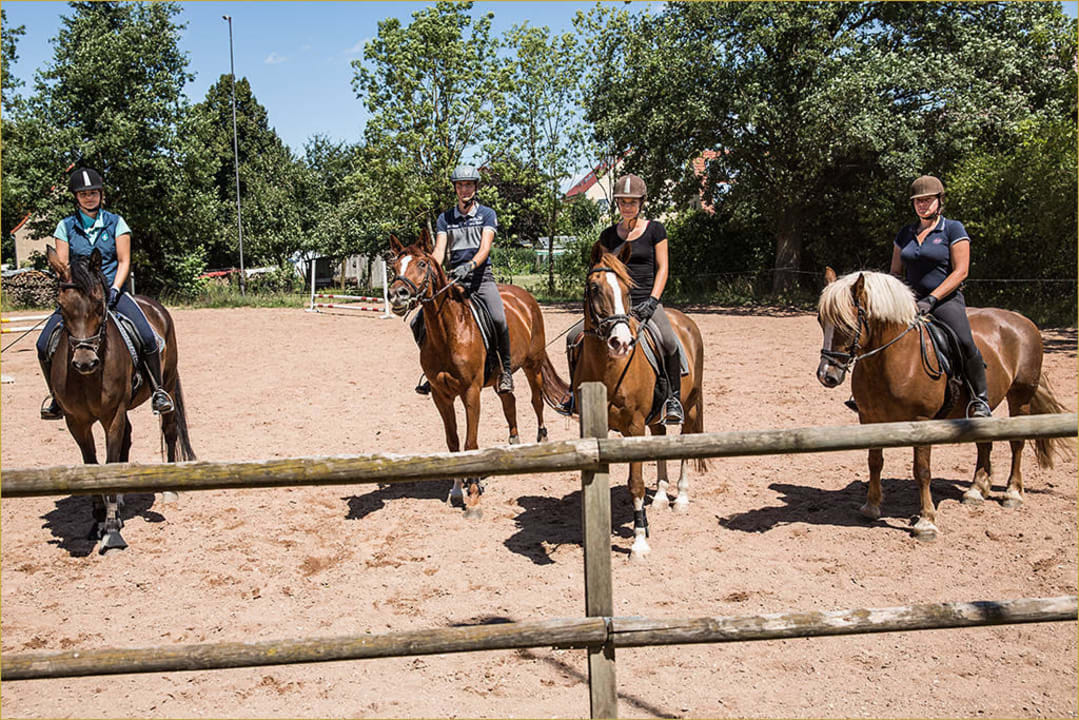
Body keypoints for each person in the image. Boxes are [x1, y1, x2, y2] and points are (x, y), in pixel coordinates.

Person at [36, 167, 175, 419]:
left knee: (148, 337)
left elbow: (123, 261)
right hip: (79, 299)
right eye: (83, 194)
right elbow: (64, 266)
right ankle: (56, 398)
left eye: (93, 193)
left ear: (101, 194)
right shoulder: (65, 227)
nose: (89, 197)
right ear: (76, 197)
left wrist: (114, 289)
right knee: (43, 343)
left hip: (113, 292)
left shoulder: (116, 223)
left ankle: (158, 391)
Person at [561, 173, 684, 424]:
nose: (627, 206)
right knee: (574, 337)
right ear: (617, 203)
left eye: (632, 202)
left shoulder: (655, 230)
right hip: (614, 306)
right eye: (623, 202)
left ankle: (673, 399)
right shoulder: (608, 235)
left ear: (641, 203)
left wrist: (653, 300)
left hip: (646, 301)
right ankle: (575, 394)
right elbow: (602, 271)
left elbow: (663, 268)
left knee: (669, 341)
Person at [890, 174, 991, 418]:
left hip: (945, 300)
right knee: (877, 332)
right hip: (909, 301)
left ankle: (980, 399)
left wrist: (932, 298)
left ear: (939, 200)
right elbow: (895, 272)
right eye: (918, 201)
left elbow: (961, 271)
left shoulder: (952, 229)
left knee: (964, 341)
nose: (922, 204)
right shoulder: (905, 234)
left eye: (927, 200)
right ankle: (869, 392)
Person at [412, 165, 514, 395]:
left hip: (481, 279)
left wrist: (470, 265)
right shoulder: (445, 218)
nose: (464, 189)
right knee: (418, 321)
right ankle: (432, 370)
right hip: (454, 280)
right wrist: (432, 268)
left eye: (468, 185)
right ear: (455, 189)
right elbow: (440, 250)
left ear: (475, 187)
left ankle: (505, 370)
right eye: (460, 185)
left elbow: (484, 248)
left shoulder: (487, 214)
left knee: (498, 318)